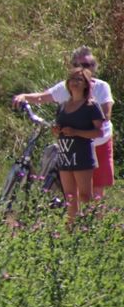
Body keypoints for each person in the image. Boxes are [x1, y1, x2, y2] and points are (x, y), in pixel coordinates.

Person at [13, 46, 114, 200]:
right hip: (74, 145)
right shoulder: (67, 87)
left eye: (87, 65)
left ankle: (92, 221)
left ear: (93, 68)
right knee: (73, 192)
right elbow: (43, 97)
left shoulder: (101, 87)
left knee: (96, 190)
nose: (82, 70)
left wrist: (77, 125)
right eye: (78, 66)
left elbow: (106, 115)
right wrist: (24, 96)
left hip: (99, 142)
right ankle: (75, 222)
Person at [50, 67, 105, 224]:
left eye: (78, 79)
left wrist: (76, 132)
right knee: (69, 196)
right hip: (65, 155)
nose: (74, 82)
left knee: (85, 195)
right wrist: (55, 130)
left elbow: (98, 132)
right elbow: (57, 130)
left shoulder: (91, 106)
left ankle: (88, 227)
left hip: (82, 155)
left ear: (86, 84)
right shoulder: (62, 106)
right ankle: (71, 229)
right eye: (72, 79)